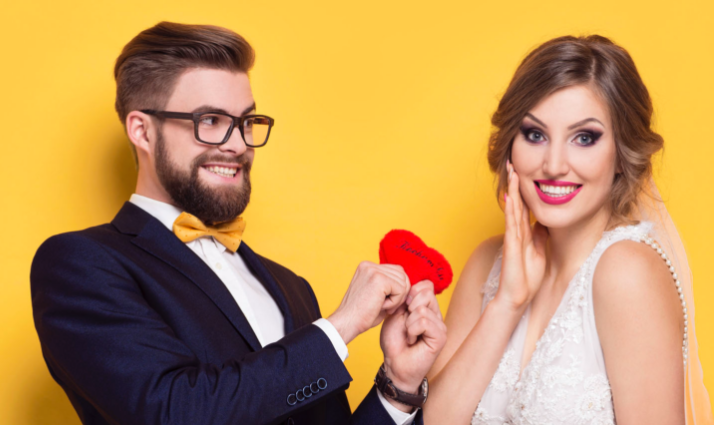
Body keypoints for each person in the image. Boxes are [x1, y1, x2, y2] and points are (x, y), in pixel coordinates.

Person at [30, 22, 447, 425]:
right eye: (209, 121)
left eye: (246, 122)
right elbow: (174, 413)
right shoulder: (79, 264)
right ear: (142, 130)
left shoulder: (291, 287)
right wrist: (341, 327)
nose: (237, 144)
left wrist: (398, 386)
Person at [423, 35, 712, 424]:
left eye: (584, 138)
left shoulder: (628, 273)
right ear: (511, 146)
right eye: (535, 134)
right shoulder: (486, 262)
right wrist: (507, 304)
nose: (554, 164)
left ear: (622, 155)